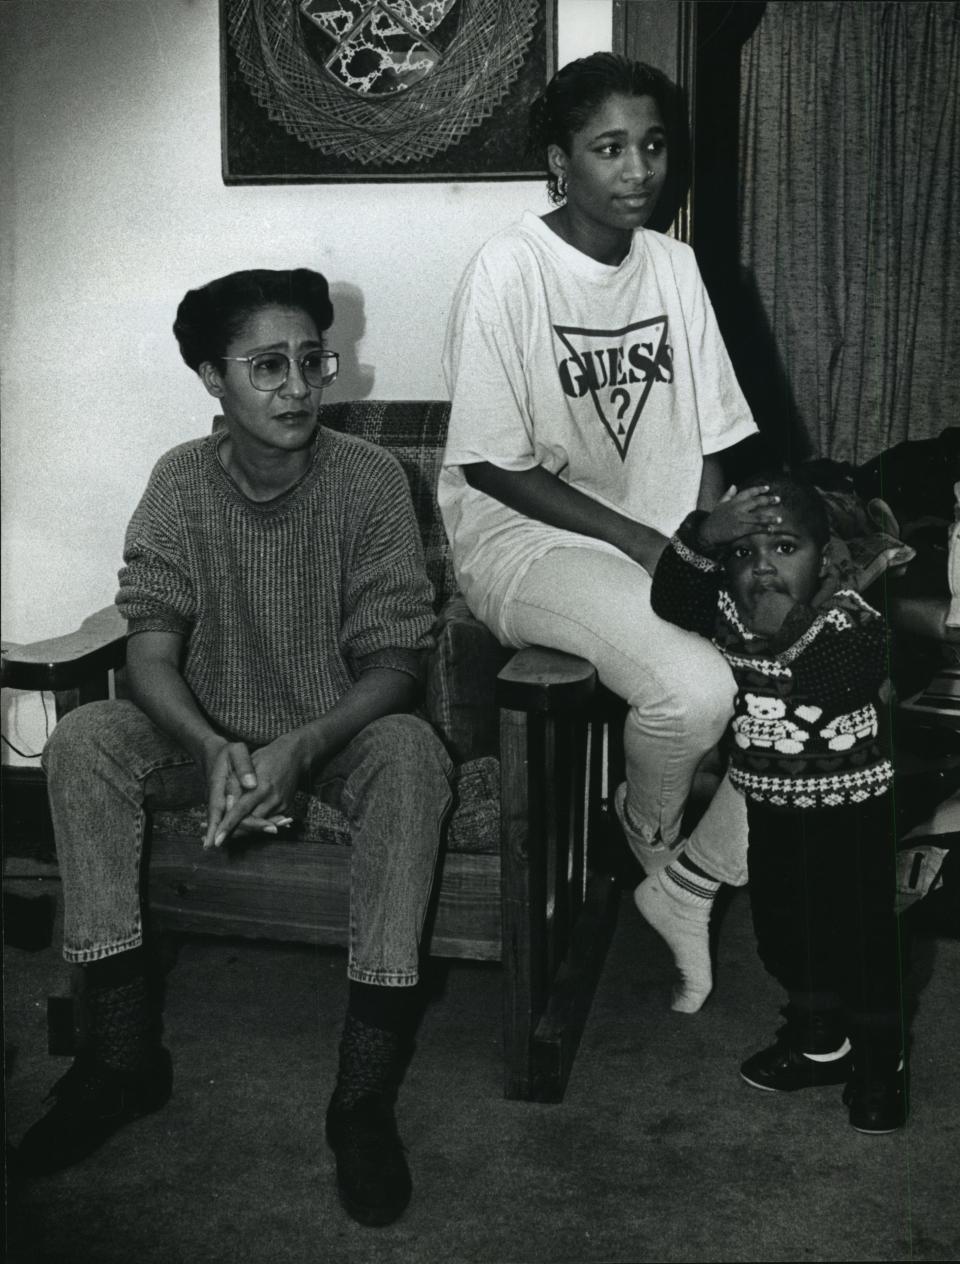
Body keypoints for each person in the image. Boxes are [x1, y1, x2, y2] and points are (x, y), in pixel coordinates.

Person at [16, 268, 454, 1226]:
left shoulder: (374, 479)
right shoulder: (179, 479)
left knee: (415, 756)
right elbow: (151, 646)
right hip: (202, 729)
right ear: (213, 377)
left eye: (312, 360)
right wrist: (210, 745)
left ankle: (363, 1098)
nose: (298, 386)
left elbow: (396, 664)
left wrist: (303, 746)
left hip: (334, 733)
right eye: (267, 366)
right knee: (85, 739)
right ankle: (120, 1061)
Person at [439, 52, 758, 1012]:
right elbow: (493, 461)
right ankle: (650, 839)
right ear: (558, 163)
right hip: (524, 544)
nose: (638, 171)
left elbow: (713, 437)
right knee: (697, 693)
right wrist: (647, 544)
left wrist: (699, 536)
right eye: (609, 148)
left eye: (653, 145)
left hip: (658, 542)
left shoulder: (675, 264)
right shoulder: (510, 268)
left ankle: (689, 882)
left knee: (830, 675)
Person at [650, 474, 906, 1132]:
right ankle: (820, 1040)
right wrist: (703, 534)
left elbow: (823, 676)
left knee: (859, 935)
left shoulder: (853, 621)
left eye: (785, 548)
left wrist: (762, 627)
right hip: (771, 802)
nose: (762, 566)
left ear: (827, 559)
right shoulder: (728, 610)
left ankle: (880, 1065)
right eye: (743, 553)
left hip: (851, 807)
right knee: (785, 926)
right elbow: (672, 598)